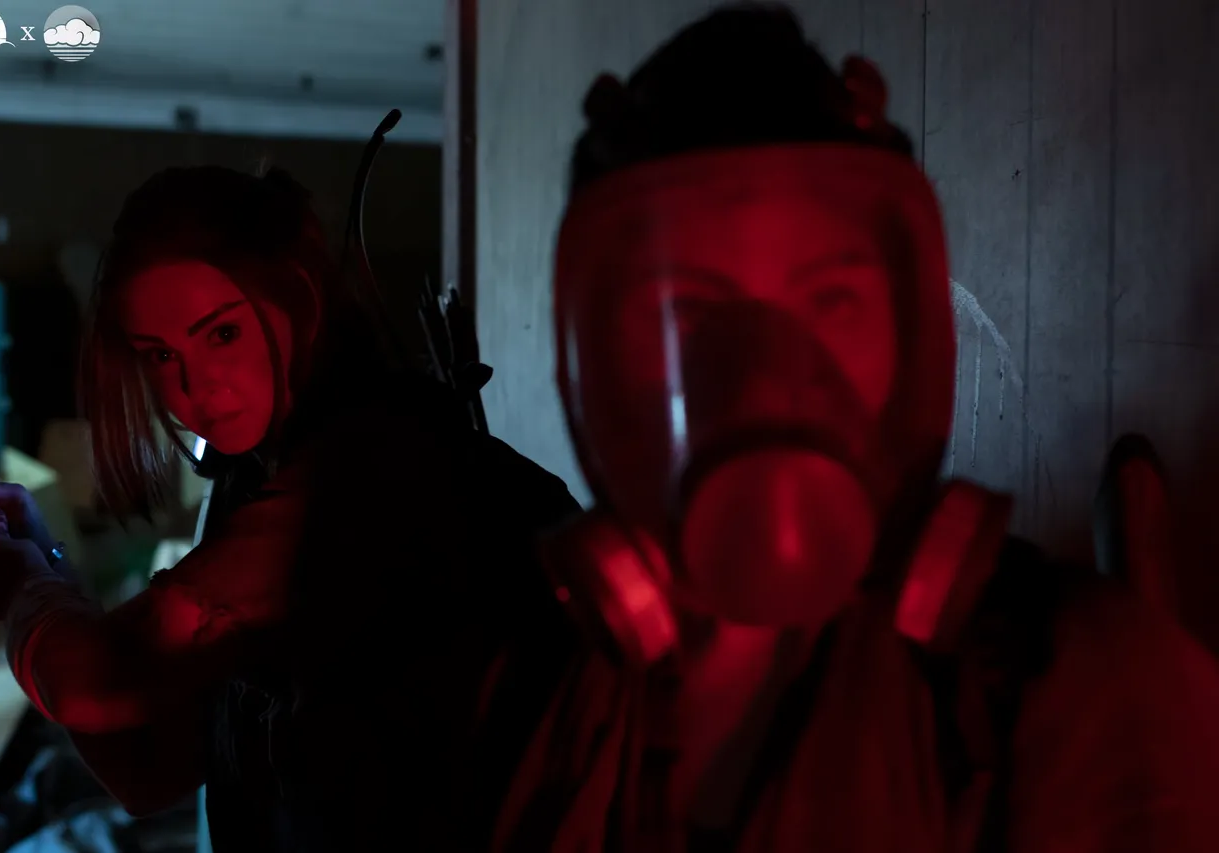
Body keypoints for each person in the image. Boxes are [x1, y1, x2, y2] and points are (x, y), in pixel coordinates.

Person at [485, 4, 1219, 851]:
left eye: (831, 300)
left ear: (907, 332)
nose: (765, 374)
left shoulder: (1082, 685)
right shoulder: (534, 697)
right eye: (685, 312)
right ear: (599, 354)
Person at [0, 162, 580, 850]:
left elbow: (96, 681)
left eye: (222, 335)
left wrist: (19, 585)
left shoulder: (374, 468)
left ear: (299, 298)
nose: (195, 387)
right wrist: (43, 564)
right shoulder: (252, 482)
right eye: (160, 355)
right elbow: (148, 768)